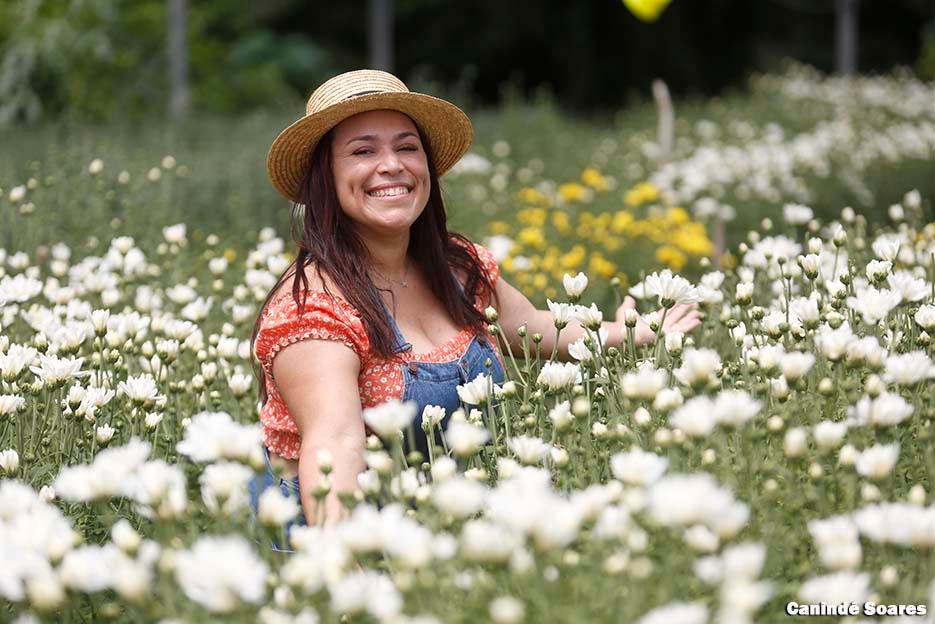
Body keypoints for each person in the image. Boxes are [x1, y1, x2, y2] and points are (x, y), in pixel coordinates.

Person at [249, 69, 701, 537]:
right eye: (363, 151)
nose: (392, 165)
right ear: (326, 177)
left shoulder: (455, 268)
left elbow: (533, 327)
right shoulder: (312, 309)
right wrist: (350, 580)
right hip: (346, 539)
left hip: (453, 522)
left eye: (407, 147)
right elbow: (335, 450)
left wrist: (626, 334)